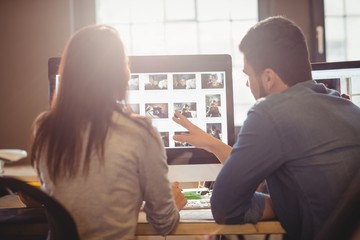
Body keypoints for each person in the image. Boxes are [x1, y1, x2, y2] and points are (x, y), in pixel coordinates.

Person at [172, 16, 360, 240]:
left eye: (249, 75)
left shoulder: (270, 112)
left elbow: (224, 206)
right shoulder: (347, 107)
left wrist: (274, 204)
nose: (248, 84)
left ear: (268, 78)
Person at [29, 24, 187, 239]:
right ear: (119, 74)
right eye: (126, 64)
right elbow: (163, 223)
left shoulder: (44, 127)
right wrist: (174, 206)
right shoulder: (139, 131)